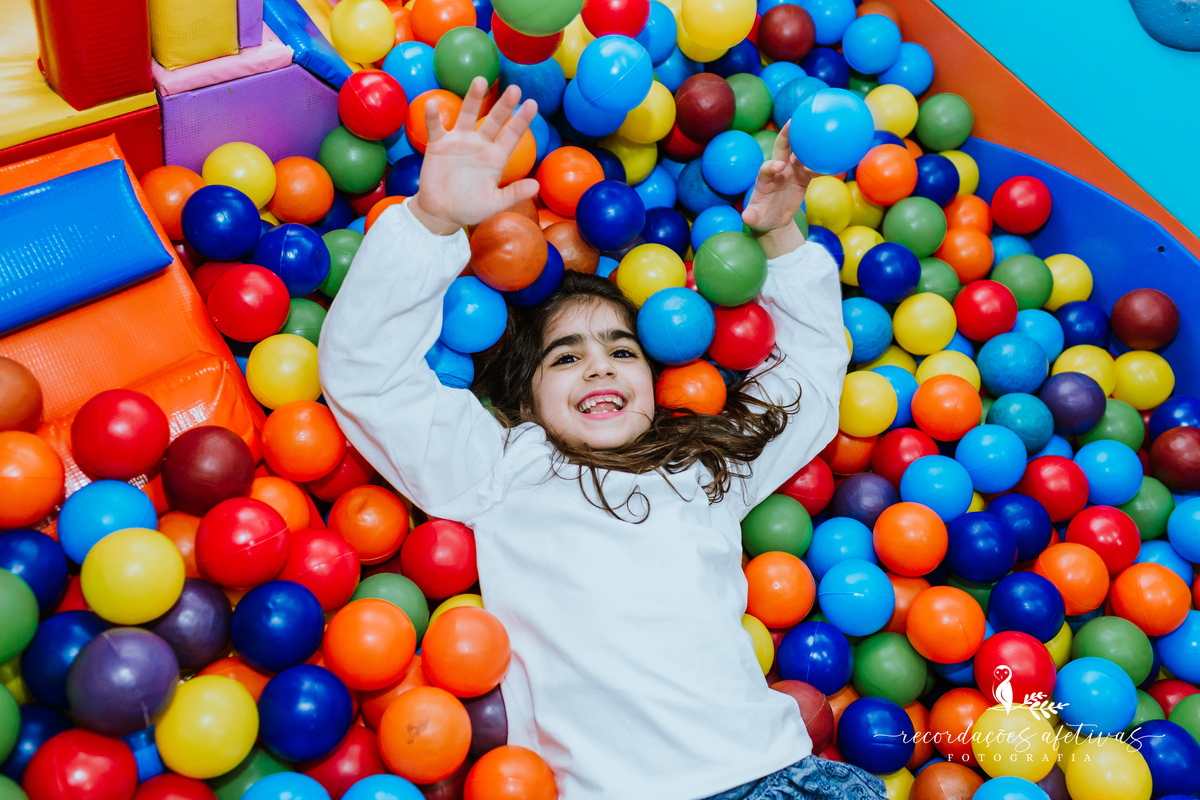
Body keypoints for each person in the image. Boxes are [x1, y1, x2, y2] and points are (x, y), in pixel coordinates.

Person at [319, 76, 882, 800]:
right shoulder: (499, 469)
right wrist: (431, 219)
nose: (599, 366)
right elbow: (367, 374)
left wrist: (776, 235)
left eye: (622, 351)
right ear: (524, 400)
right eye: (567, 357)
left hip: (774, 776)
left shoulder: (703, 465)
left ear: (652, 380)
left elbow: (808, 379)